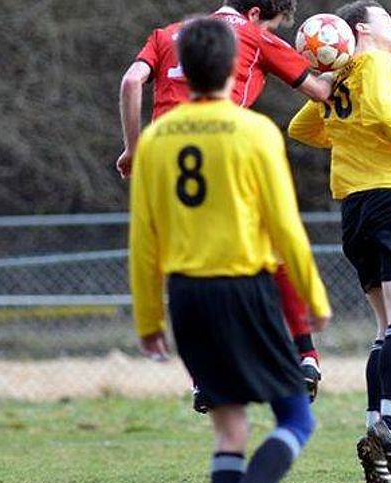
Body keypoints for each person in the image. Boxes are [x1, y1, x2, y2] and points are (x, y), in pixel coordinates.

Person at [128, 17, 332, 483]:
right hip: (246, 290)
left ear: (182, 72)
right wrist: (313, 297)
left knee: (229, 426)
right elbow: (285, 225)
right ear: (234, 67)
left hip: (187, 297)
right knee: (296, 419)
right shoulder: (255, 132)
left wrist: (149, 317)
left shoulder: (155, 141)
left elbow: (144, 238)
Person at [116, 0, 332, 407]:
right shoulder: (255, 37)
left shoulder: (166, 34)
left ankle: (203, 376)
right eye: (275, 25)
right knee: (271, 242)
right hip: (223, 147)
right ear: (254, 15)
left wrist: (132, 149)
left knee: (183, 261)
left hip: (166, 157)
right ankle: (304, 352)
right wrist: (351, 64)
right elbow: (319, 91)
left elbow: (131, 82)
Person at [288, 0, 391, 483]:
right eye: (387, 18)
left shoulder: (340, 75)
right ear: (361, 30)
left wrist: (344, 124)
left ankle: (376, 425)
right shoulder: (377, 63)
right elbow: (381, 112)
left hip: (356, 207)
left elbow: (302, 128)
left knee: (385, 326)